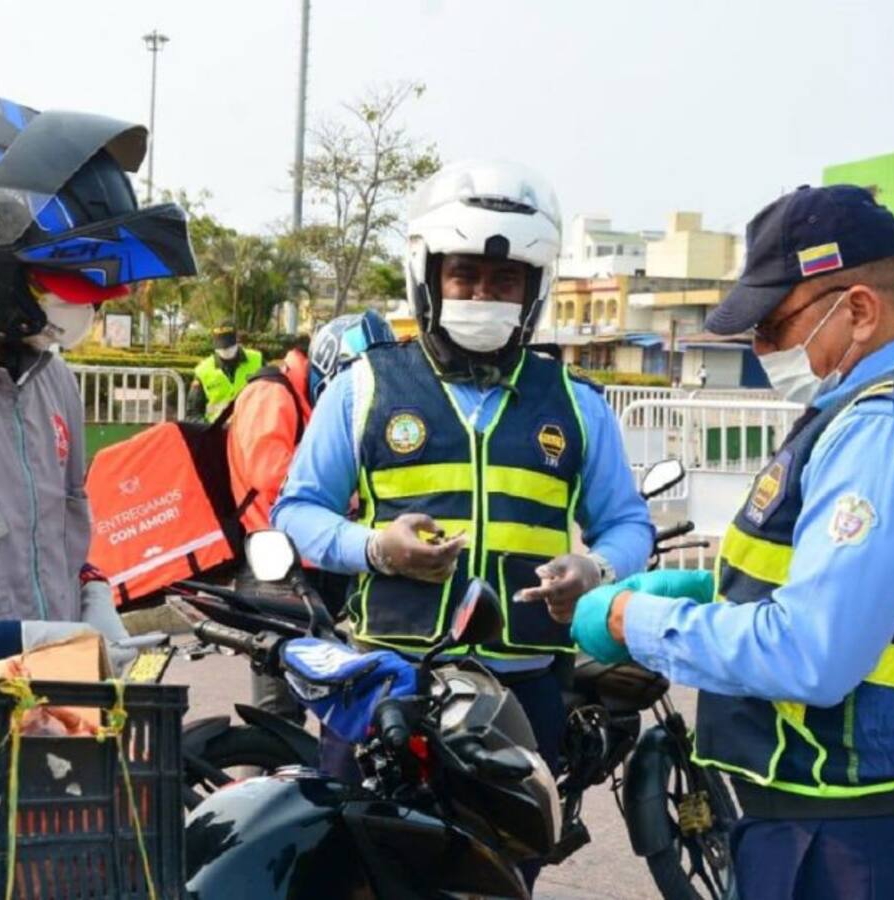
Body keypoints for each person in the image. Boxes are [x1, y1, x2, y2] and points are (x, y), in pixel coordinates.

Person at [569, 185, 894, 900]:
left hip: (868, 843)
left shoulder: (887, 433)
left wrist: (635, 621)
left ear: (859, 310)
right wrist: (705, 591)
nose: (763, 348)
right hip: (843, 821)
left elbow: (812, 654)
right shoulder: (863, 411)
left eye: (775, 325)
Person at [273, 160, 653, 848]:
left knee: (502, 869)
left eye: (505, 280)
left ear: (534, 289)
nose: (485, 292)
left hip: (526, 686)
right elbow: (297, 510)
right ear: (430, 278)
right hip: (388, 680)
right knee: (355, 862)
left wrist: (596, 569)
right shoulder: (364, 387)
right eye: (465, 276)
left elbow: (627, 523)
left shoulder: (577, 404)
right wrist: (375, 546)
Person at [0, 97, 196, 675]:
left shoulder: (56, 385)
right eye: (69, 278)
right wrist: (24, 643)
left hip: (52, 726)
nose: (94, 302)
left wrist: (93, 595)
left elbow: (60, 541)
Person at [229, 312, 394, 719]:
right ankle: (269, 780)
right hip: (276, 567)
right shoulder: (273, 394)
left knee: (339, 698)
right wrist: (348, 489)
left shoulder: (305, 399)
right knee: (278, 704)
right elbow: (271, 475)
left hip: (317, 563)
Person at [187, 322, 263, 421]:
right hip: (218, 431)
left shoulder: (257, 360)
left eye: (228, 346)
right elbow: (193, 413)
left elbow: (271, 397)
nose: (226, 350)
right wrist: (208, 431)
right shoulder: (203, 370)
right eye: (222, 347)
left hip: (251, 429)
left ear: (237, 340)